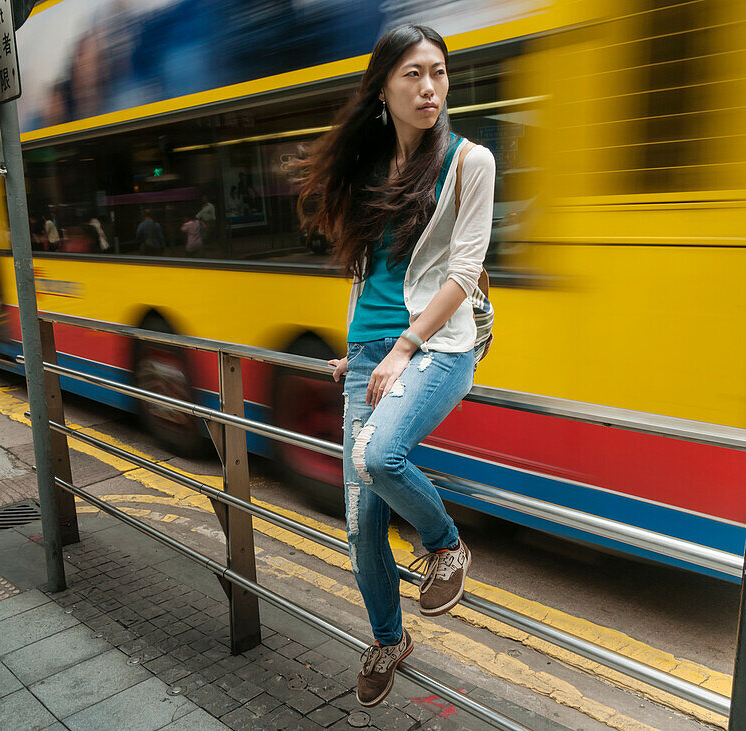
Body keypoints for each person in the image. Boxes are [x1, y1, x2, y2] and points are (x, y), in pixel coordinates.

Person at [293, 24, 495, 707]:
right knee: (359, 521)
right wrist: (359, 349)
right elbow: (361, 268)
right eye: (413, 74)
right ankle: (388, 638)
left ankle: (447, 546)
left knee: (377, 455)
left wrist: (405, 345)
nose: (430, 87)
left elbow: (465, 271)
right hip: (369, 356)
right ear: (383, 87)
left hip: (437, 348)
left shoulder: (471, 161)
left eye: (437, 72)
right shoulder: (368, 166)